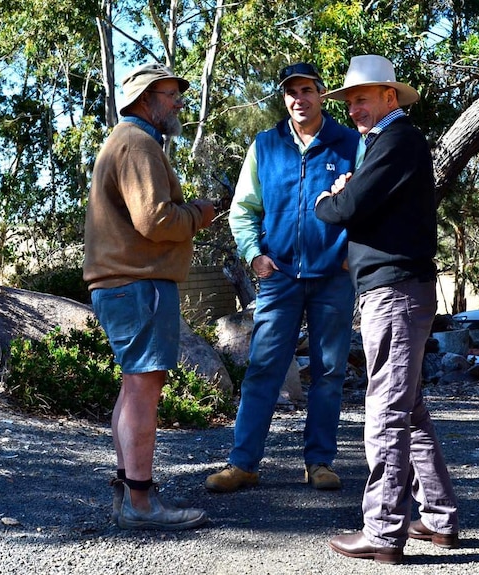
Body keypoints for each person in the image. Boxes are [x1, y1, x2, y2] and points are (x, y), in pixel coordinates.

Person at [314, 54, 460, 563]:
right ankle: (438, 518)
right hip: (398, 288)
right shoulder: (388, 142)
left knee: (387, 410)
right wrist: (349, 191)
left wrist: (331, 198)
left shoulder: (395, 140)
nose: (354, 107)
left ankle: (382, 531)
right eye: (350, 99)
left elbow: (346, 210)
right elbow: (364, 205)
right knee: (410, 408)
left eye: (363, 97)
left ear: (389, 97)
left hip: (394, 291)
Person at [204, 63, 361, 493]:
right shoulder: (265, 145)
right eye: (291, 92)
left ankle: (319, 462)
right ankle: (243, 464)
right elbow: (243, 209)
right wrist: (254, 255)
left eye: (306, 90)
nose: (299, 99)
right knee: (263, 369)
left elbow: (369, 204)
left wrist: (353, 255)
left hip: (334, 278)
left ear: (322, 94)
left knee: (328, 372)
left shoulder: (349, 143)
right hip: (279, 277)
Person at [83, 62, 215, 530]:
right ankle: (141, 503)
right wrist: (199, 214)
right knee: (144, 390)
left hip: (121, 285)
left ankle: (128, 491)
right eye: (170, 93)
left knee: (132, 386)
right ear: (145, 98)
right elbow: (156, 220)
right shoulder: (138, 143)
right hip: (139, 284)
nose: (179, 101)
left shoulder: (123, 141)